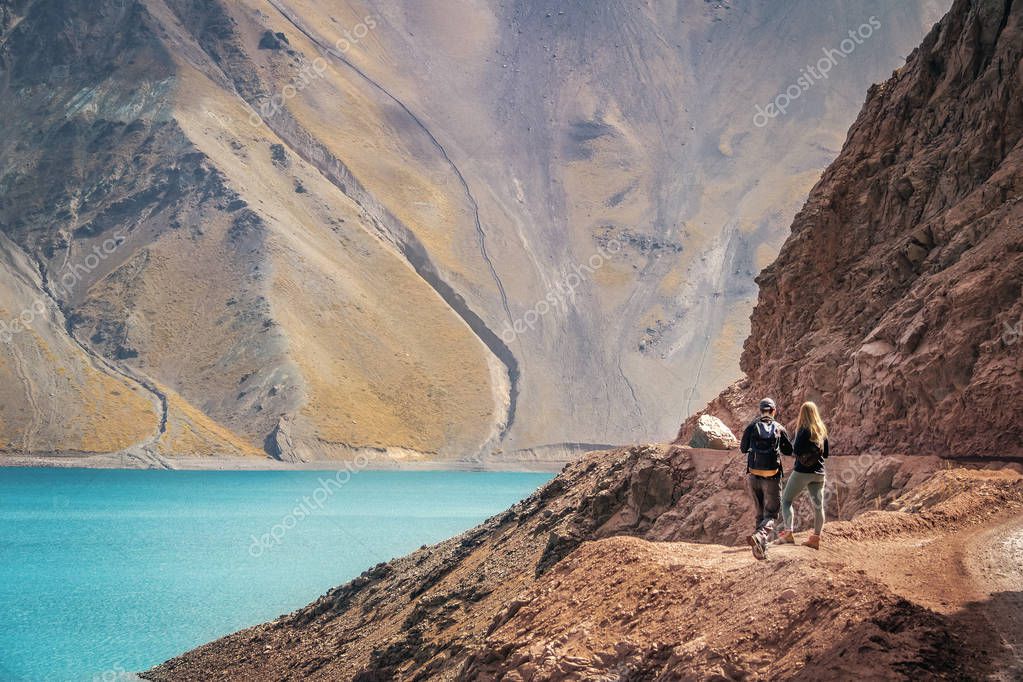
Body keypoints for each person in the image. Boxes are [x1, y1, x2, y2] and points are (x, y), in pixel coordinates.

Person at [739, 398, 792, 560]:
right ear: (774, 411)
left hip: (754, 475)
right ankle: (761, 536)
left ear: (760, 410)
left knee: (759, 514)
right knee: (771, 514)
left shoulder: (751, 426)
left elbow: (742, 449)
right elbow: (788, 451)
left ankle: (760, 551)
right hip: (772, 476)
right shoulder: (779, 428)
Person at [776, 401, 830, 550]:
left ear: (802, 413)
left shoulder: (803, 430)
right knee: (818, 507)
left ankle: (788, 533)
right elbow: (825, 454)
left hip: (802, 472)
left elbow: (796, 450)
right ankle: (816, 538)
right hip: (819, 473)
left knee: (786, 501)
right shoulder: (821, 430)